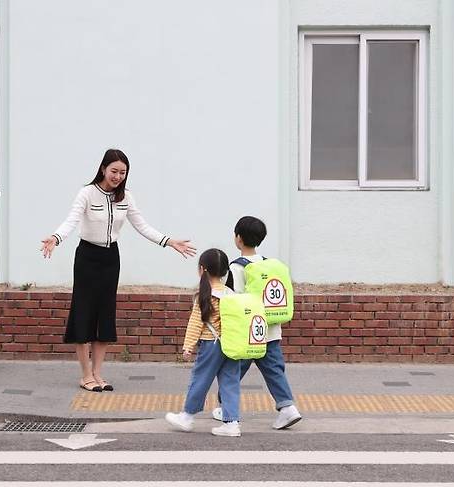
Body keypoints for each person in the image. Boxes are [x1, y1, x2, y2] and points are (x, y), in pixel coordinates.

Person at [41, 149, 196, 393]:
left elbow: (142, 225)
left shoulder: (126, 198)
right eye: (114, 171)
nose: (118, 177)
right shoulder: (87, 193)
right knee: (83, 313)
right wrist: (55, 237)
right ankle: (85, 375)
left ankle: (98, 373)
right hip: (87, 257)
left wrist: (170, 242)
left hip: (110, 258)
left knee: (105, 314)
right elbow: (71, 220)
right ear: (103, 169)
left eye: (123, 173)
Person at [214, 216, 302, 429]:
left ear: (238, 238)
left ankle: (225, 406)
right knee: (274, 369)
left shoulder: (236, 267)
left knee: (232, 369)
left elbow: (233, 298)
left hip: (246, 333)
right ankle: (288, 407)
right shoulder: (268, 264)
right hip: (270, 330)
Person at [165, 248, 242, 437]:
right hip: (232, 345)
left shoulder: (204, 295)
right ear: (225, 271)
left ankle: (187, 417)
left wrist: (188, 346)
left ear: (202, 269)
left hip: (211, 344)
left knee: (200, 379)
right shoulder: (231, 294)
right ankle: (231, 423)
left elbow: (195, 323)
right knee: (230, 383)